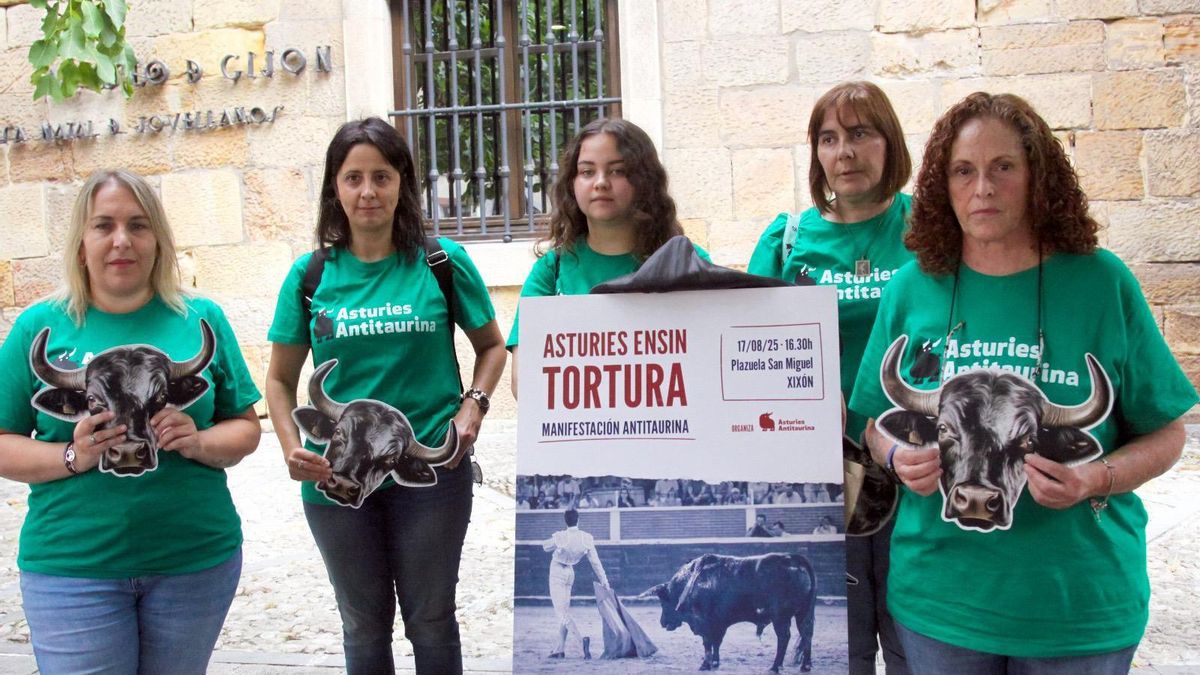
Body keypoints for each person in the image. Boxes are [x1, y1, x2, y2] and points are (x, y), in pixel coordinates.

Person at [850, 92, 1197, 673]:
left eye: (1002, 167)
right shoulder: (911, 289)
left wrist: (1094, 477)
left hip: (1077, 608)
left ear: (1038, 177)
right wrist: (896, 455)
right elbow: (874, 421)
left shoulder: (1101, 283)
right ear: (943, 184)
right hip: (942, 602)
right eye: (964, 171)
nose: (982, 187)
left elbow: (1168, 435)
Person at [265, 118, 507, 675]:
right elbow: (279, 381)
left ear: (403, 183)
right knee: (363, 625)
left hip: (432, 474)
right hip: (335, 476)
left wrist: (474, 404)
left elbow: (492, 348)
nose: (368, 191)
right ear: (334, 188)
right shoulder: (309, 277)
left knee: (431, 619)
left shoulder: (441, 263)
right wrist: (289, 446)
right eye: (353, 178)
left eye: (381, 176)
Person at [0, 169, 262, 673]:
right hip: (72, 569)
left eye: (138, 226)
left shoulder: (200, 318)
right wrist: (71, 455)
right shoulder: (39, 325)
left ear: (158, 241)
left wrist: (199, 441)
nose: (121, 241)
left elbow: (245, 428)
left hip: (194, 561)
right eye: (104, 226)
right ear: (82, 242)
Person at [747, 80, 914, 675]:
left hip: (917, 471)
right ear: (816, 153)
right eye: (829, 138)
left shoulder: (930, 230)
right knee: (839, 645)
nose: (845, 151)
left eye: (861, 133)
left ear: (889, 142)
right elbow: (746, 347)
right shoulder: (788, 239)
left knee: (912, 637)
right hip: (818, 473)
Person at [506, 117, 708, 395]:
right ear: (572, 183)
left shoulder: (689, 262)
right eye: (587, 171)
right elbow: (524, 385)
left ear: (644, 180)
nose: (600, 183)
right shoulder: (550, 271)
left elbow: (713, 362)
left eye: (617, 171)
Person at [543, 508, 609, 659]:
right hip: (570, 573)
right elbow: (596, 563)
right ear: (578, 520)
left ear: (565, 520)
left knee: (561, 613)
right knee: (564, 610)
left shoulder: (561, 536)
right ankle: (559, 650)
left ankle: (581, 642)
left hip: (557, 571)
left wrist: (556, 540)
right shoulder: (586, 538)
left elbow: (545, 546)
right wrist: (604, 581)